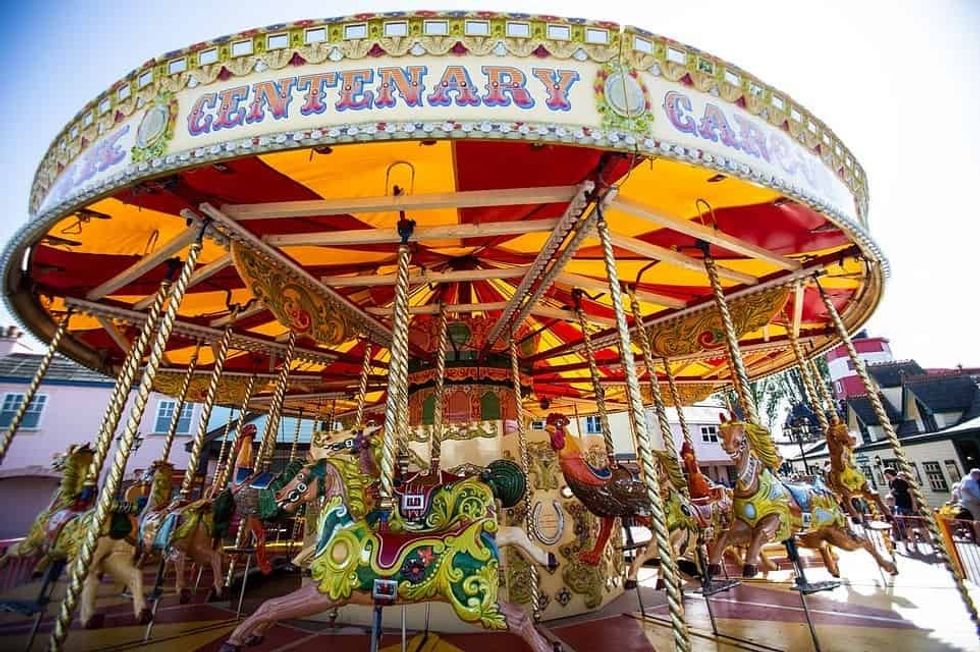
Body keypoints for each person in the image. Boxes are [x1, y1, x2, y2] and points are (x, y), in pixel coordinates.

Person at [884, 468, 916, 542]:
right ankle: (910, 539)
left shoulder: (900, 482)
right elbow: (892, 493)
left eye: (887, 475)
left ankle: (914, 539)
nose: (886, 477)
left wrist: (914, 504)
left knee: (910, 525)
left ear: (891, 474)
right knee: (904, 525)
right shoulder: (890, 483)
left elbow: (910, 492)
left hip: (906, 505)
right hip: (898, 506)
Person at [957, 468, 980, 540]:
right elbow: (963, 489)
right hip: (971, 502)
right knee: (978, 520)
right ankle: (979, 538)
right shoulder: (969, 480)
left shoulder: (966, 478)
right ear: (976, 474)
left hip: (970, 501)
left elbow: (959, 489)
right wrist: (974, 498)